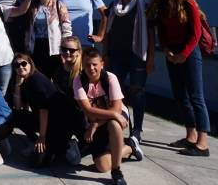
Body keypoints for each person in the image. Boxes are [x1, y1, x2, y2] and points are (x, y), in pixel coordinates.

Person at [146, 0, 211, 157]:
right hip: (172, 52)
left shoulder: (188, 2)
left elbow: (196, 33)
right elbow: (162, 31)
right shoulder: (163, 5)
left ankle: (202, 143)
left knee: (196, 96)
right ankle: (190, 136)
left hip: (189, 52)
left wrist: (184, 54)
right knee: (180, 95)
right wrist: (166, 49)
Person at [103, 0, 151, 156]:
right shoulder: (113, 6)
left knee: (137, 92)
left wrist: (151, 58)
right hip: (116, 56)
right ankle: (122, 127)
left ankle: (137, 130)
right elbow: (107, 31)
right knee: (117, 94)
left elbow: (151, 33)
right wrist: (105, 53)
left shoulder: (143, 7)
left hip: (138, 56)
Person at [73, 48, 137, 185]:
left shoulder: (110, 78)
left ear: (102, 64)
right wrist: (105, 118)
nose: (91, 68)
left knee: (114, 123)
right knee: (102, 167)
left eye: (95, 64)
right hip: (102, 118)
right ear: (82, 65)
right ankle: (130, 146)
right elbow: (88, 110)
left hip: (117, 118)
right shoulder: (78, 81)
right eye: (87, 64)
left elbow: (117, 109)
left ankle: (116, 171)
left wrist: (96, 125)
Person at [9, 52, 76, 167]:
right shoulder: (23, 80)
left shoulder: (37, 81)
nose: (20, 67)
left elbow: (43, 110)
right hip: (45, 120)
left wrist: (42, 137)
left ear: (30, 64)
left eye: (23, 63)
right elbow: (19, 107)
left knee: (38, 162)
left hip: (58, 124)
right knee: (15, 115)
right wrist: (17, 85)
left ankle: (67, 145)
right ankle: (37, 142)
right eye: (17, 65)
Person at [24, 0, 72, 77]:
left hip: (54, 48)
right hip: (37, 47)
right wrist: (28, 48)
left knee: (56, 77)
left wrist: (64, 49)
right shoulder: (33, 6)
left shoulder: (58, 4)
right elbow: (29, 29)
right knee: (40, 77)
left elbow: (66, 27)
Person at [52, 35, 88, 165]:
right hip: (64, 118)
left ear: (79, 52)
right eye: (64, 49)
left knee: (100, 158)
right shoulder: (58, 70)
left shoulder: (84, 73)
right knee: (56, 154)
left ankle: (128, 145)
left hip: (82, 118)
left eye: (72, 50)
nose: (67, 52)